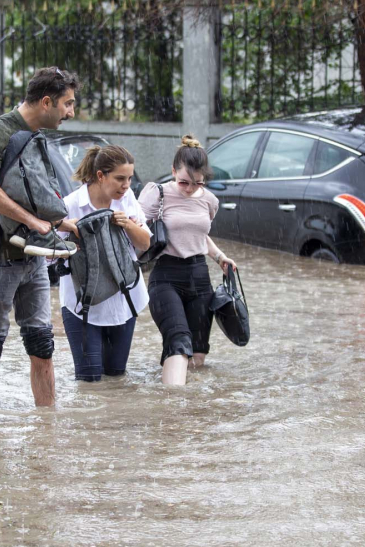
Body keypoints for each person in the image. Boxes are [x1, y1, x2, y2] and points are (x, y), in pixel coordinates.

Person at [0, 66, 81, 407]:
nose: (71, 113)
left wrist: (61, 223)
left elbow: (32, 194)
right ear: (46, 102)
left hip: (32, 256)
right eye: (67, 104)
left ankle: (47, 433)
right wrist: (32, 221)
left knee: (42, 345)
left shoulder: (38, 138)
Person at [138, 135, 237, 386]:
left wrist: (220, 257)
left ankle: (192, 413)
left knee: (198, 353)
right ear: (173, 171)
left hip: (199, 277)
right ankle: (173, 407)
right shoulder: (156, 194)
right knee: (179, 341)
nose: (190, 188)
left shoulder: (209, 200)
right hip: (165, 277)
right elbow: (134, 228)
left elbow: (200, 237)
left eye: (197, 183)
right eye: (183, 182)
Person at [57, 145, 151, 382]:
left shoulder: (127, 199)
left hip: (124, 302)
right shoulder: (70, 206)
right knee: (88, 382)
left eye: (129, 178)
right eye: (120, 178)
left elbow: (145, 244)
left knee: (116, 380)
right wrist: (69, 235)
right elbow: (49, 255)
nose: (126, 185)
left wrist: (128, 225)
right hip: (82, 308)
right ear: (100, 175)